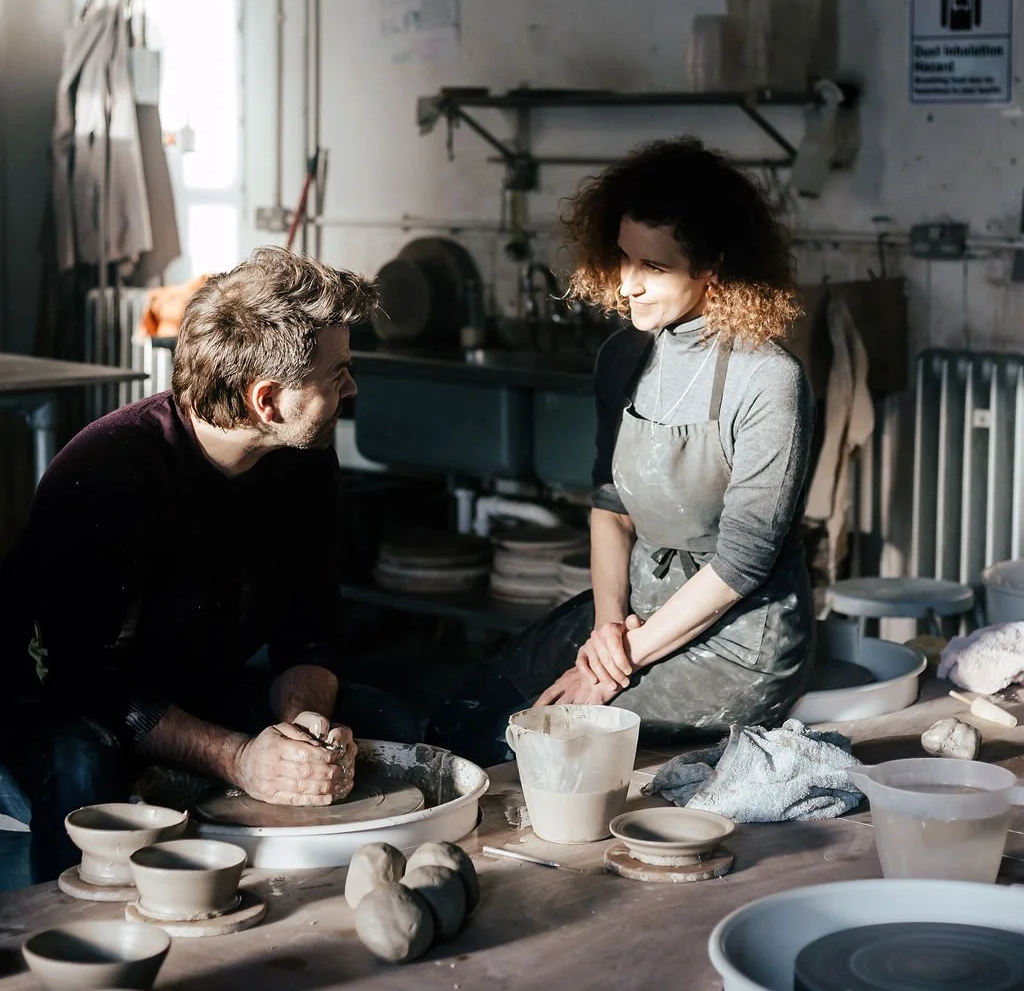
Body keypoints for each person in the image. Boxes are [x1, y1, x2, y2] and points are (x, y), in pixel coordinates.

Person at [0, 247, 418, 882]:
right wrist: (241, 760)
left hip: (194, 684)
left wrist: (301, 725)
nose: (350, 388)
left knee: (387, 722)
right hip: (54, 700)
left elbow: (309, 621)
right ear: (267, 400)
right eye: (337, 375)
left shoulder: (303, 458)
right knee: (87, 764)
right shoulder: (107, 474)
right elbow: (89, 681)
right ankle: (65, 950)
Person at [429, 138, 815, 762]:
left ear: (713, 267)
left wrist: (611, 669)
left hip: (738, 643)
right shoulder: (625, 357)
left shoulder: (768, 380)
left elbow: (743, 562)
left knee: (536, 744)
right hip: (634, 615)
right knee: (461, 721)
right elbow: (610, 506)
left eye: (654, 268)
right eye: (623, 258)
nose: (628, 285)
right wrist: (608, 628)